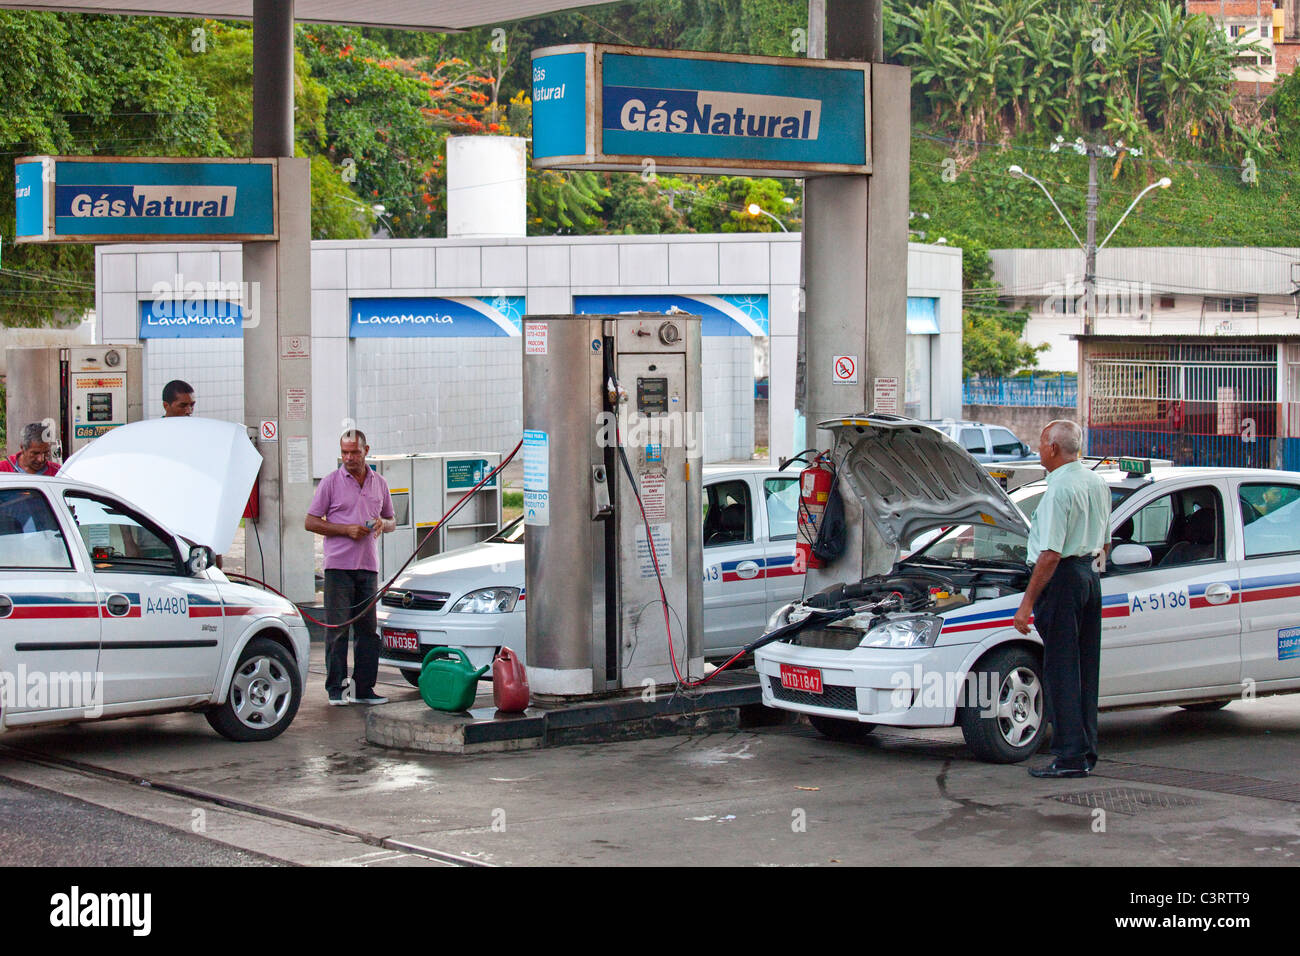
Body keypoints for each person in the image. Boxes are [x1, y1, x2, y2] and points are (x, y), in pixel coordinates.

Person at [1012, 419, 1110, 779]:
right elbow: (1105, 542)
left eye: (1041, 444)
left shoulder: (1057, 490)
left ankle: (1069, 756)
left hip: (1063, 578)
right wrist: (1087, 577)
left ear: (1053, 448)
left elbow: (1050, 554)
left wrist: (1026, 605)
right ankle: (1086, 751)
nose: (1038, 450)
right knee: (1085, 670)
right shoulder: (1097, 483)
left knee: (1061, 670)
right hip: (1088, 575)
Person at [305, 429, 395, 706]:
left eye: (354, 452)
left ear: (366, 450)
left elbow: (391, 520)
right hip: (338, 567)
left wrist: (382, 524)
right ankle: (336, 689)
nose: (349, 458)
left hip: (367, 567)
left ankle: (364, 690)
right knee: (338, 628)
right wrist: (345, 530)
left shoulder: (379, 483)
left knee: (368, 631)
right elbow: (310, 521)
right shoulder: (331, 482)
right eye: (344, 453)